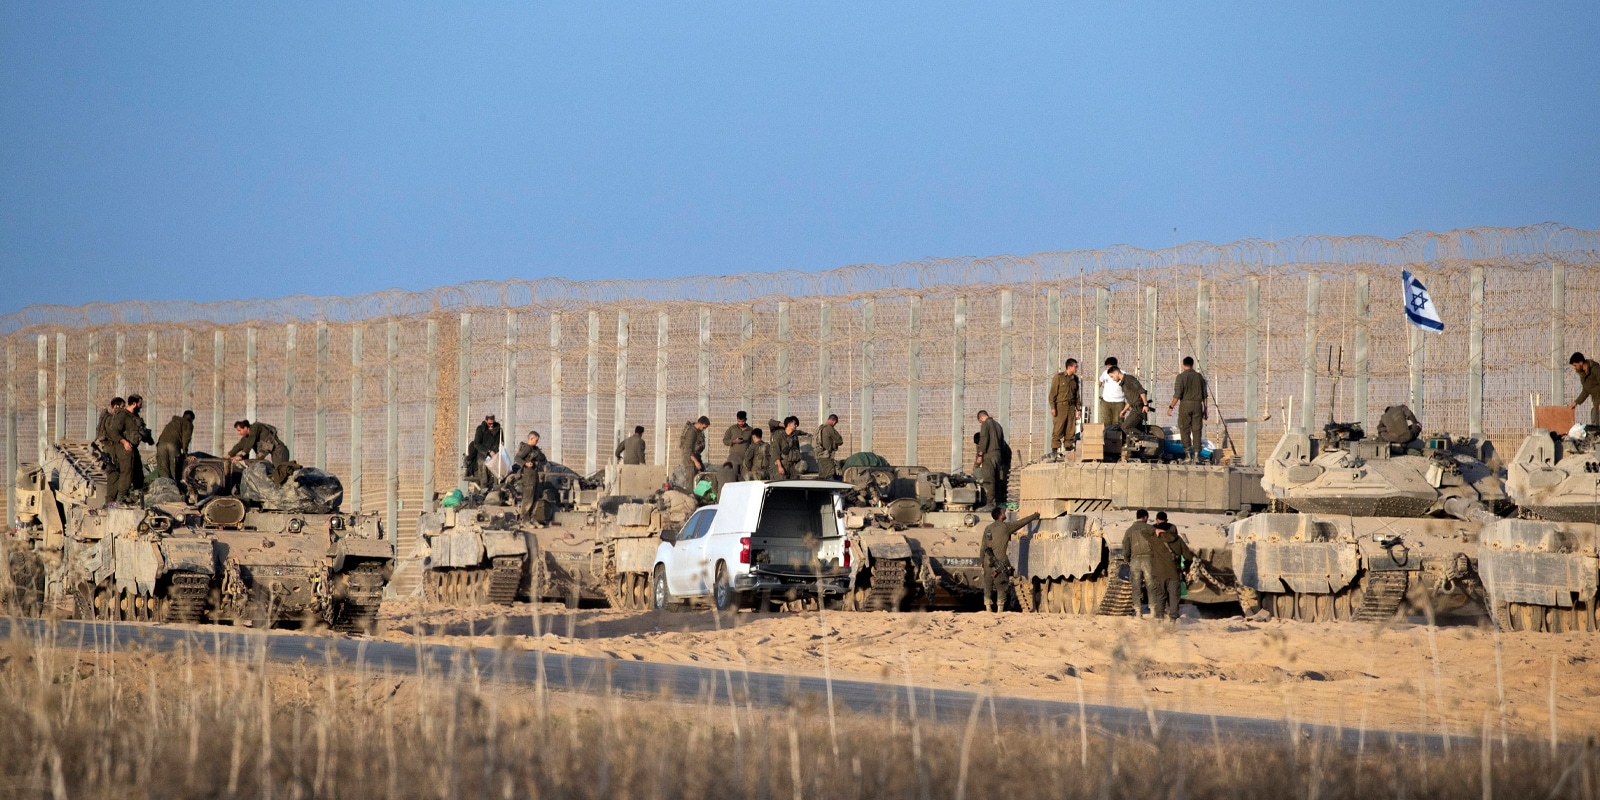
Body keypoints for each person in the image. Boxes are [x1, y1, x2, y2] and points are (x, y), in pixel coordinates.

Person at [980, 507, 1040, 612]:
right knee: (1002, 585)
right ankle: (1000, 608)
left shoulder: (987, 528)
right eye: (1003, 512)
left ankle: (988, 607)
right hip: (1001, 562)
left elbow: (983, 547)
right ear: (1000, 515)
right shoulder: (1006, 527)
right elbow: (1021, 522)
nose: (1005, 513)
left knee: (988, 584)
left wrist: (982, 562)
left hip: (987, 561)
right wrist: (1036, 514)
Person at [1149, 512, 1197, 621]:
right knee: (1174, 596)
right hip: (1174, 572)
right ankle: (1173, 619)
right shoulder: (1178, 540)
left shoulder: (1156, 539)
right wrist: (1186, 566)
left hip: (1159, 571)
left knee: (1160, 595)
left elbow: (1144, 533)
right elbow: (1188, 555)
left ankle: (1160, 617)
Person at [107, 395, 152, 502]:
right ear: (134, 404)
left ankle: (138, 495)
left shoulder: (134, 417)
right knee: (126, 472)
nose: (141, 406)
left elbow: (139, 431)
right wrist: (124, 442)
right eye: (140, 404)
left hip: (133, 448)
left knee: (138, 473)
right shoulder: (122, 415)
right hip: (124, 448)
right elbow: (114, 432)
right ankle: (122, 497)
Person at [1167, 357, 1210, 463]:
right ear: (1193, 365)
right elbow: (1205, 395)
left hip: (1185, 405)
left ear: (1183, 365)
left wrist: (1171, 407)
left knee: (1184, 429)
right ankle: (1196, 455)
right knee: (1197, 430)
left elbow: (1177, 395)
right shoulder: (1199, 377)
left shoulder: (1180, 377)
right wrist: (1205, 409)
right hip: (1197, 405)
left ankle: (1187, 455)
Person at [1120, 510, 1161, 619]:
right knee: (1151, 584)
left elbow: (1126, 547)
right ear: (1146, 517)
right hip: (1148, 560)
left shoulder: (1129, 531)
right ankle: (1153, 610)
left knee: (1136, 585)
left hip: (1135, 560)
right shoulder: (1150, 529)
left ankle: (1138, 611)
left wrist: (1126, 559)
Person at [1108, 367, 1149, 457]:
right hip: (1134, 406)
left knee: (1125, 426)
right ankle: (1133, 452)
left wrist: (1145, 405)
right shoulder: (1123, 384)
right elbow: (1130, 400)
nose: (1112, 379)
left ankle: (1147, 438)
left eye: (1112, 376)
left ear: (1116, 373)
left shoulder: (1129, 379)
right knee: (1130, 429)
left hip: (1139, 407)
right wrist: (1124, 410)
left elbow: (1141, 391)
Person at [973, 410, 1010, 506]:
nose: (981, 423)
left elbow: (984, 439)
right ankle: (997, 503)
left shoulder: (985, 424)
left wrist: (980, 455)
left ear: (981, 418)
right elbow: (1002, 442)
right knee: (997, 480)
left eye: (980, 421)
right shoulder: (998, 425)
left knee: (989, 479)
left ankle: (989, 503)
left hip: (989, 455)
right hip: (998, 455)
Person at [515, 431, 550, 524]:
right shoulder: (526, 448)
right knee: (528, 498)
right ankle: (524, 519)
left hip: (536, 475)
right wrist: (525, 463)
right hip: (528, 475)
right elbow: (517, 458)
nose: (537, 442)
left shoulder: (536, 449)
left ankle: (532, 518)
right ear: (531, 439)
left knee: (535, 498)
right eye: (536, 440)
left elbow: (543, 459)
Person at [1049, 359, 1082, 455]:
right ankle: (1055, 450)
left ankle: (1068, 448)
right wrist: (1053, 407)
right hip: (1060, 406)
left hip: (1071, 407)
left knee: (1070, 428)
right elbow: (1052, 394)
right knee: (1058, 428)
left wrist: (1078, 409)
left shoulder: (1075, 379)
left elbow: (1077, 395)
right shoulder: (1059, 377)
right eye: (1075, 366)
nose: (1077, 368)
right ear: (1069, 367)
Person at [155, 410, 195, 481]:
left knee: (163, 470)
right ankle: (174, 488)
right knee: (174, 470)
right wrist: (186, 454)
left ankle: (165, 488)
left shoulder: (172, 422)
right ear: (191, 419)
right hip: (173, 446)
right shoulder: (188, 424)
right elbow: (186, 439)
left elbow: (163, 434)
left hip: (161, 445)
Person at [677, 416, 709, 486]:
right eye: (704, 427)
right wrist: (696, 462)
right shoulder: (691, 433)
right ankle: (690, 495)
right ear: (700, 423)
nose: (704, 430)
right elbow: (688, 450)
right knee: (691, 481)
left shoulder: (697, 431)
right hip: (689, 459)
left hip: (695, 457)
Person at [1570, 352, 1600, 425]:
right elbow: (1586, 390)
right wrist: (1576, 402)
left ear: (1580, 362)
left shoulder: (1595, 369)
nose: (1574, 367)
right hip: (1596, 400)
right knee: (1594, 421)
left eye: (1575, 365)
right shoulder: (1583, 374)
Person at [722, 412, 754, 479]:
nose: (740, 423)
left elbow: (753, 444)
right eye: (739, 421)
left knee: (744, 477)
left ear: (746, 419)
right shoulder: (732, 429)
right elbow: (725, 441)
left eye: (742, 421)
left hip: (745, 459)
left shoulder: (750, 430)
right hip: (733, 458)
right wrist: (734, 441)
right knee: (732, 477)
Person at [815, 414, 844, 480]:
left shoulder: (820, 428)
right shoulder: (829, 428)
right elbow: (840, 440)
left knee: (822, 478)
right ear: (834, 421)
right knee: (829, 479)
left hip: (820, 457)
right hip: (827, 457)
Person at [1097, 357, 1124, 427]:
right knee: (1106, 422)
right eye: (1106, 367)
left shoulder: (1123, 374)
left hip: (1118, 402)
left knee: (1118, 422)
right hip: (1106, 402)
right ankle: (1107, 436)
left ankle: (1117, 437)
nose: (1107, 369)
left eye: (1109, 367)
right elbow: (1100, 381)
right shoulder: (1105, 373)